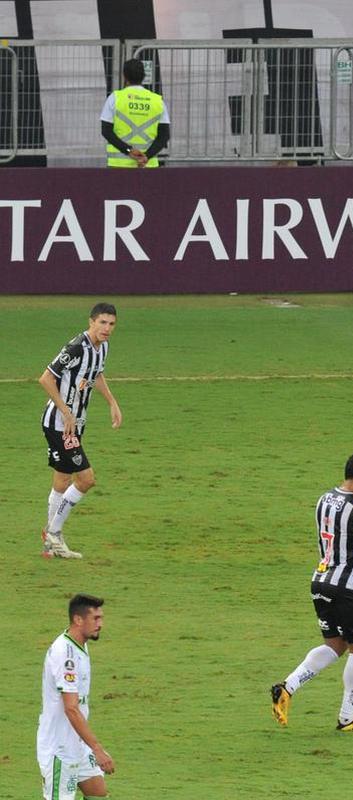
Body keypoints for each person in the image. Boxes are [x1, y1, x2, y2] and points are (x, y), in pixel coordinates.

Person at [271, 452, 353, 732]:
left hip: (320, 581)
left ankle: (287, 687)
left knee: (335, 645)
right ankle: (348, 718)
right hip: (348, 588)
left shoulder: (324, 500)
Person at [38, 303, 123, 559]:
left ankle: (51, 546)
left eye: (111, 324)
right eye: (102, 323)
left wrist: (112, 402)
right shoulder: (76, 347)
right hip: (60, 425)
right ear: (91, 322)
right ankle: (53, 533)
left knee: (62, 481)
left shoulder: (102, 347)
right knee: (86, 479)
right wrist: (65, 411)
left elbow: (96, 375)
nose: (107, 328)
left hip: (75, 424)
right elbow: (46, 378)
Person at [38, 593, 114, 800]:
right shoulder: (65, 655)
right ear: (78, 620)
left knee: (98, 793)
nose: (101, 624)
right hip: (59, 749)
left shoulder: (80, 644)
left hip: (78, 744)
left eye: (101, 618)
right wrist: (97, 748)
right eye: (96, 619)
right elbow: (71, 708)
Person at [100, 59, 170, 168]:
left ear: (124, 76)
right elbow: (164, 136)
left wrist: (128, 150)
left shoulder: (115, 98)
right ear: (143, 76)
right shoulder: (158, 101)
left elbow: (106, 131)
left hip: (118, 165)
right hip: (147, 164)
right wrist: (147, 156)